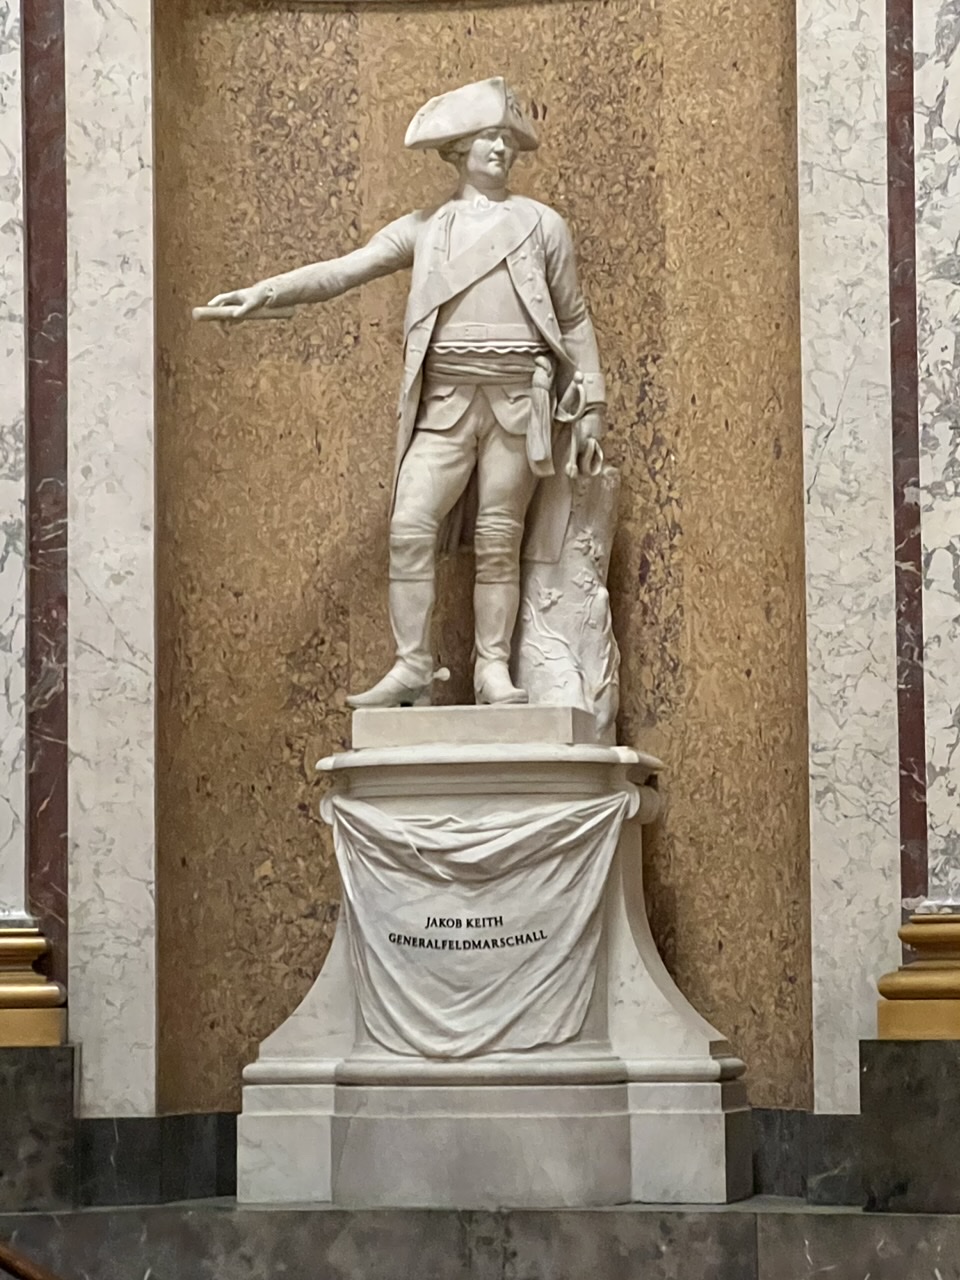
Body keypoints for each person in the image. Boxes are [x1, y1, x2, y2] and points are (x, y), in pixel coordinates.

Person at [207, 78, 606, 708]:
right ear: (456, 152)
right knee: (409, 524)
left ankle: (492, 670)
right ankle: (413, 665)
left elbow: (575, 318)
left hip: (516, 403)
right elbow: (346, 269)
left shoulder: (541, 226)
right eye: (486, 139)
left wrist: (593, 407)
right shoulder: (427, 229)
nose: (500, 149)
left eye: (507, 139)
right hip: (446, 403)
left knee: (500, 540)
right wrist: (267, 293)